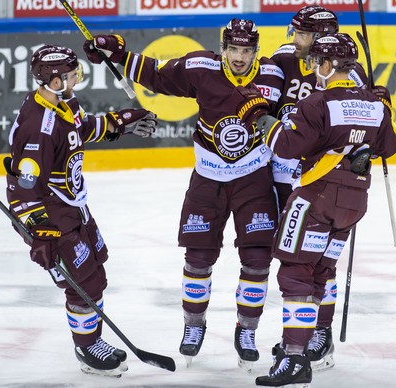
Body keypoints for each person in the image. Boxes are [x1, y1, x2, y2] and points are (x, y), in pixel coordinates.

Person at [82, 19, 285, 369]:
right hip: (208, 178)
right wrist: (118, 54)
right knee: (198, 258)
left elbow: (298, 108)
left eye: (246, 50)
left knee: (257, 259)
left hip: (254, 178)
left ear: (256, 51)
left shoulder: (272, 76)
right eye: (233, 49)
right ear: (223, 48)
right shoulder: (201, 67)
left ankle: (247, 330)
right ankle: (194, 325)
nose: (239, 57)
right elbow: (158, 74)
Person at [234, 33, 396, 386]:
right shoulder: (372, 102)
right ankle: (309, 341)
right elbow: (392, 144)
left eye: (315, 64)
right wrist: (385, 106)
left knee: (297, 273)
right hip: (353, 204)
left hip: (316, 200)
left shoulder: (318, 103)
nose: (312, 70)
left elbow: (285, 147)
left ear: (328, 65)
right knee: (321, 272)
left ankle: (295, 358)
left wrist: (262, 121)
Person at [5, 44, 157, 377]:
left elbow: (81, 130)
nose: (79, 76)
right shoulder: (38, 127)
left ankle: (92, 340)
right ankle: (87, 347)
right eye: (73, 73)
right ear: (56, 80)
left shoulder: (62, 102)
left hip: (73, 203)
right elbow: (23, 187)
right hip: (51, 213)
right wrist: (40, 232)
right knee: (83, 283)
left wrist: (119, 123)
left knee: (96, 270)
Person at [269, 5, 372, 371]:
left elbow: (369, 129)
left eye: (300, 33)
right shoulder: (282, 59)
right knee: (303, 262)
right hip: (288, 176)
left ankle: (316, 334)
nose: (293, 39)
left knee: (309, 264)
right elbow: (262, 98)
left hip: (319, 182)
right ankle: (298, 337)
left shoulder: (350, 73)